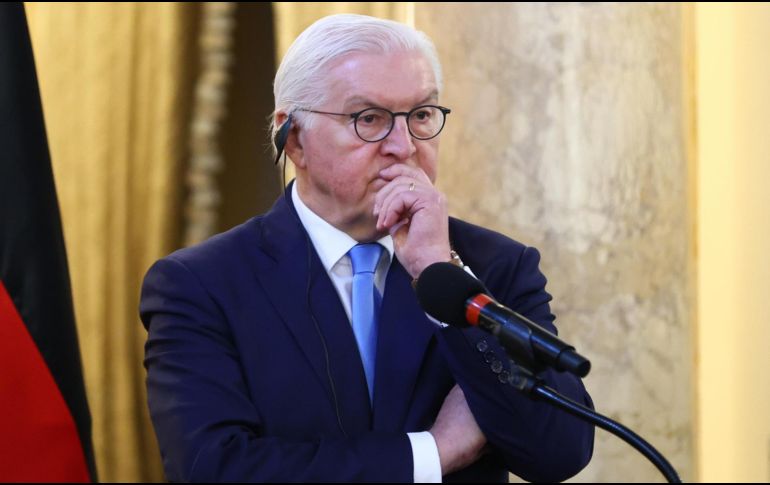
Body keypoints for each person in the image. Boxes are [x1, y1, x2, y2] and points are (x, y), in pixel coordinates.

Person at [140, 14, 594, 483]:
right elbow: (216, 469)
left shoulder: (496, 265)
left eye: (421, 116)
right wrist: (432, 454)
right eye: (369, 119)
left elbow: (561, 452)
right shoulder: (200, 284)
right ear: (293, 138)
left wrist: (439, 270)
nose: (404, 146)